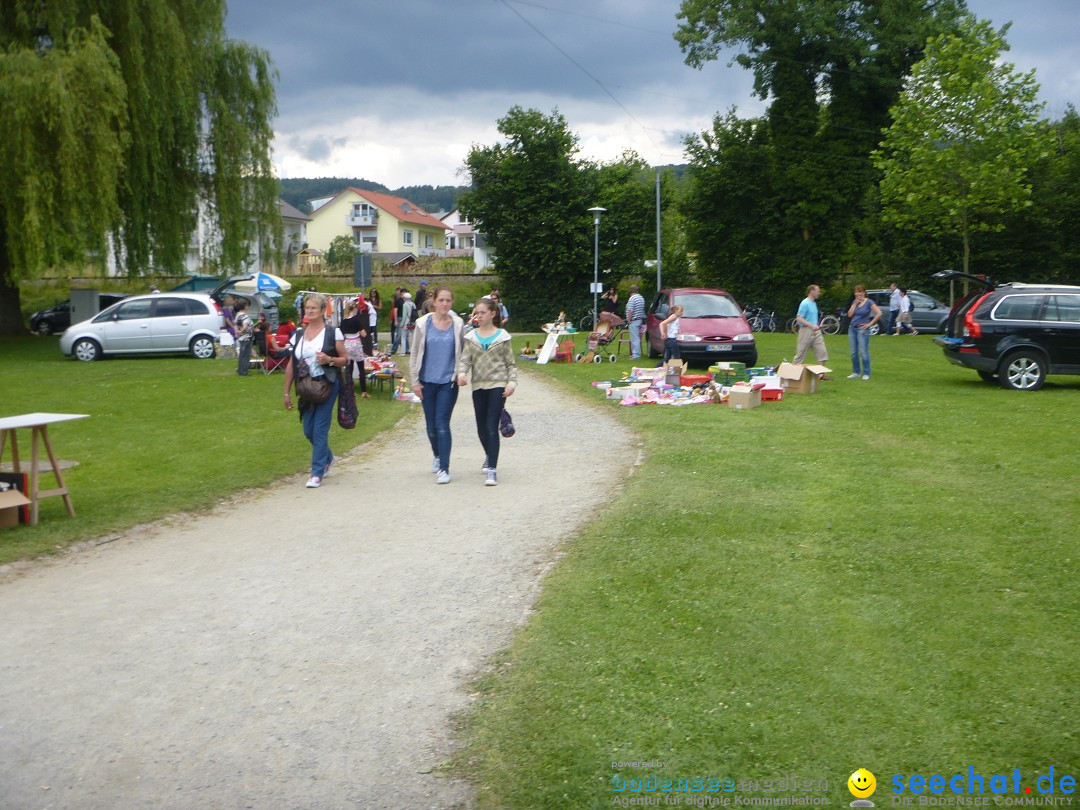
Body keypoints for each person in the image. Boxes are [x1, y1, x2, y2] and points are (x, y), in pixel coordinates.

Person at [283, 294, 346, 488]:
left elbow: (345, 359)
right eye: (307, 308)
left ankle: (317, 472)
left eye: (313, 308)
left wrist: (329, 360)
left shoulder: (332, 333)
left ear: (321, 311)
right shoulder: (298, 335)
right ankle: (327, 457)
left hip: (327, 384)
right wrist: (286, 392)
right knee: (308, 429)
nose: (309, 311)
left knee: (319, 428)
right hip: (306, 387)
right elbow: (291, 365)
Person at [457, 297, 517, 487]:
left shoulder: (503, 337)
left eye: (482, 312)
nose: (479, 316)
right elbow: (465, 360)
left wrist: (511, 384)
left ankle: (492, 469)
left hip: (498, 385)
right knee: (481, 428)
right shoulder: (471, 337)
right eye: (477, 313)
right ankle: (489, 454)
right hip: (478, 386)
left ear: (493, 314)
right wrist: (461, 374)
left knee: (491, 426)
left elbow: (511, 364)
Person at [410, 285, 464, 484]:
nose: (444, 304)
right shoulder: (423, 324)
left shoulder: (458, 324)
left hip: (448, 382)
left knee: (442, 424)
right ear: (434, 302)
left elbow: (464, 353)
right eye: (441, 300)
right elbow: (414, 352)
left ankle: (444, 468)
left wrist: (461, 373)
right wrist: (415, 381)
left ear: (452, 302)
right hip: (426, 382)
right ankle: (437, 454)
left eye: (448, 300)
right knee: (431, 426)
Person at [846, 284, 881, 380]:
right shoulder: (854, 302)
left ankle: (866, 372)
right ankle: (856, 372)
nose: (858, 294)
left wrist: (870, 324)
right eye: (856, 292)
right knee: (853, 352)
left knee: (863, 351)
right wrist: (854, 304)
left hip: (863, 330)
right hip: (852, 328)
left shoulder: (869, 302)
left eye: (860, 292)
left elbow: (879, 313)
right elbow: (849, 315)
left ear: (864, 292)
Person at [340, 298, 370, 399]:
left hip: (347, 343)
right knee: (361, 367)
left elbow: (341, 334)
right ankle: (364, 391)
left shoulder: (344, 321)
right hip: (356, 343)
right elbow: (364, 334)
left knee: (350, 368)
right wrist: (363, 331)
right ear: (355, 309)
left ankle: (350, 390)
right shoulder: (356, 319)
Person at [793, 284, 829, 365]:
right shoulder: (804, 303)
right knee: (800, 355)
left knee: (822, 353)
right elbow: (799, 318)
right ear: (812, 291)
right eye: (818, 291)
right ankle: (793, 375)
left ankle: (820, 374)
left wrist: (815, 326)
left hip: (816, 332)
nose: (819, 293)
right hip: (805, 331)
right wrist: (811, 325)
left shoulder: (814, 303)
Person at [625, 284, 646, 360]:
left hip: (634, 320)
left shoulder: (632, 298)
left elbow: (631, 310)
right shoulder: (641, 298)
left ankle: (636, 355)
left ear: (630, 291)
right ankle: (635, 354)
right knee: (636, 338)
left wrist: (629, 319)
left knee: (634, 338)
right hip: (640, 319)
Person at [234, 299, 254, 375]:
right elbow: (245, 326)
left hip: (241, 338)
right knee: (246, 355)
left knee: (242, 354)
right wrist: (241, 331)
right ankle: (244, 371)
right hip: (247, 337)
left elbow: (235, 324)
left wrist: (237, 332)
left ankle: (240, 369)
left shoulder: (238, 315)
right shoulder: (245, 316)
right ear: (245, 306)